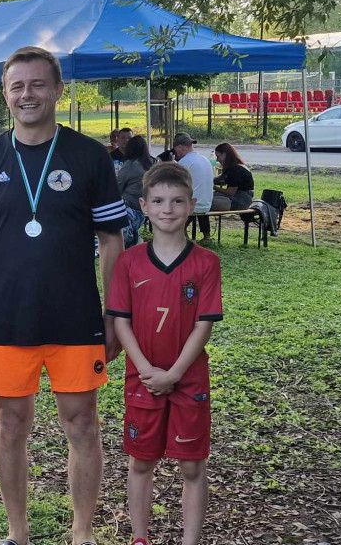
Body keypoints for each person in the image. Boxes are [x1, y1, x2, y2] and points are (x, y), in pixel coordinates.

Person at [0, 46, 126, 545]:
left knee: (82, 425)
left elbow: (113, 240)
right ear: (5, 94)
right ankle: (17, 533)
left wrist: (114, 314)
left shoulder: (89, 155)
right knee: (10, 425)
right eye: (17, 86)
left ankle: (82, 532)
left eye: (37, 84)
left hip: (75, 317)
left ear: (57, 90)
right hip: (8, 317)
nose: (27, 94)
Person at [106, 162, 222, 545]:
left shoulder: (207, 263)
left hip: (188, 380)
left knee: (192, 465)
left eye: (176, 201)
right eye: (158, 201)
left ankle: (191, 540)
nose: (167, 209)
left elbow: (203, 325)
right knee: (141, 461)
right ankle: (140, 538)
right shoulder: (128, 261)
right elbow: (121, 322)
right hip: (143, 379)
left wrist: (172, 373)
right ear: (144, 205)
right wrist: (145, 370)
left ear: (191, 205)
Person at [173, 133, 214, 242]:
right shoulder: (205, 159)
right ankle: (206, 236)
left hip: (192, 207)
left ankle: (181, 234)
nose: (175, 154)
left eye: (175, 151)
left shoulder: (184, 162)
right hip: (206, 205)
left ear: (179, 148)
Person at [117, 135, 155, 248]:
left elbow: (117, 188)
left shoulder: (130, 165)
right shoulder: (155, 163)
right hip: (151, 205)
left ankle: (132, 238)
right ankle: (135, 236)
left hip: (132, 206)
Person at [210, 142, 254, 211]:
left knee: (204, 202)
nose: (217, 160)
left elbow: (230, 192)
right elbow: (221, 179)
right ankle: (203, 222)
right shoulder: (236, 167)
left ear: (225, 154)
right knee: (204, 201)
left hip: (240, 201)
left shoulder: (236, 170)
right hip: (241, 199)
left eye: (218, 156)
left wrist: (213, 186)